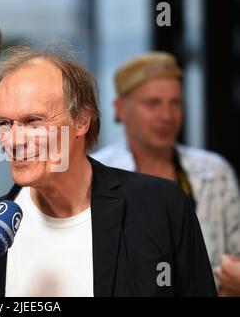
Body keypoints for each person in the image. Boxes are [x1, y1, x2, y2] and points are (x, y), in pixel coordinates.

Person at [0, 45, 216, 297]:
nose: (14, 140)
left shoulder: (161, 207)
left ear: (82, 120)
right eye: (4, 123)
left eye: (33, 121)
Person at [91, 52, 240, 296]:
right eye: (153, 103)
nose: (167, 116)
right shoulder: (96, 173)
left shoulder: (215, 172)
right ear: (120, 109)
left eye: (175, 103)